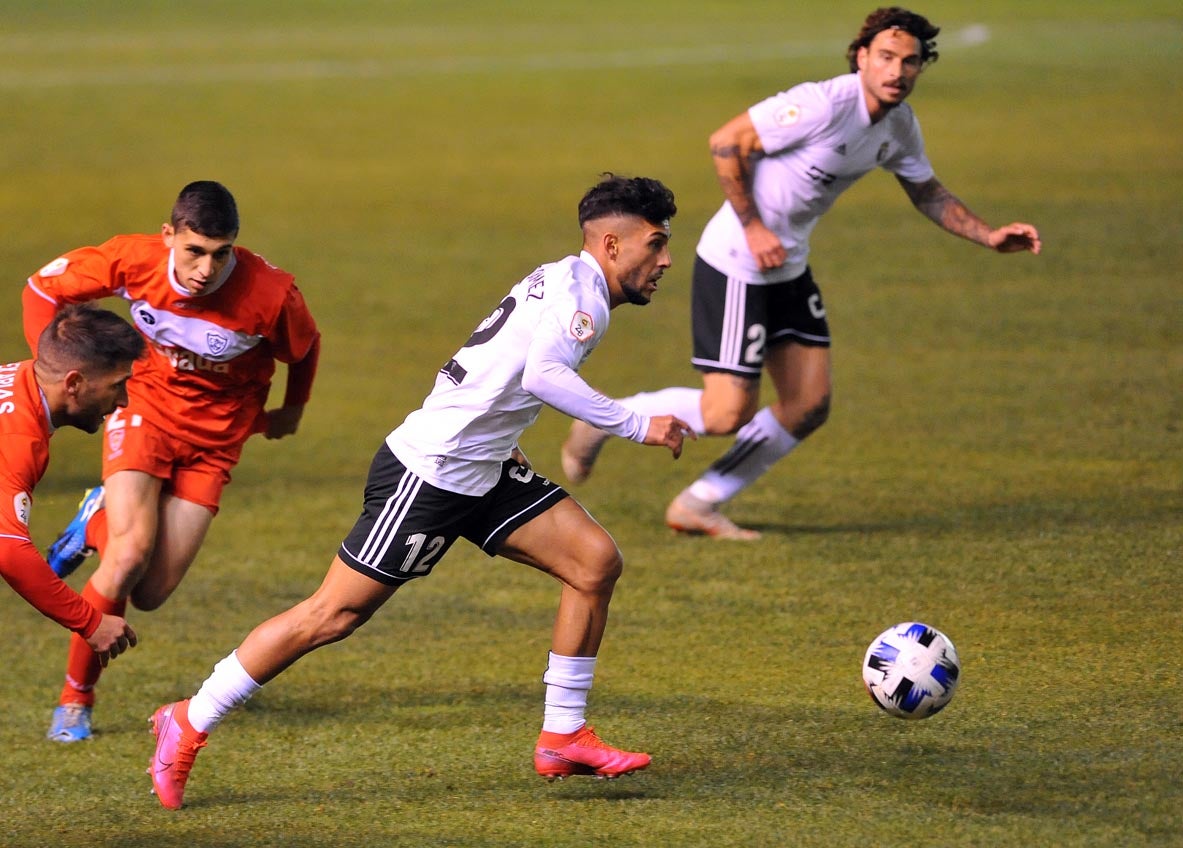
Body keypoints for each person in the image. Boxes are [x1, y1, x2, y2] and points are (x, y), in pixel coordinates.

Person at [146, 174, 689, 810]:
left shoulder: (568, 277)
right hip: (430, 474)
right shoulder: (583, 299)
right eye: (656, 244)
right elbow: (542, 375)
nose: (666, 260)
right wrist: (635, 422)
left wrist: (499, 434)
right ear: (614, 244)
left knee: (595, 562)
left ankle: (562, 735)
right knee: (333, 615)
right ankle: (189, 717)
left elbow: (496, 369)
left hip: (482, 465)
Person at [560, 7, 1042, 539]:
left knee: (809, 404)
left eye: (909, 62)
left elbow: (926, 191)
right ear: (861, 57)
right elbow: (726, 142)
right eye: (885, 57)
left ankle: (699, 503)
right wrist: (755, 227)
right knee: (726, 415)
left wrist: (989, 235)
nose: (897, 71)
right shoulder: (821, 104)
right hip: (738, 262)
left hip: (788, 268)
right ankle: (603, 419)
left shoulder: (899, 126)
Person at [22, 181, 321, 742]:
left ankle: (95, 520)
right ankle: (74, 699)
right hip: (144, 409)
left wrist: (293, 410)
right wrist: (53, 364)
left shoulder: (272, 294)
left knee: (152, 592)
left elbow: (304, 349)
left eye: (221, 252)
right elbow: (40, 289)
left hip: (217, 440)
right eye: (194, 251)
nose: (207, 268)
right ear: (169, 237)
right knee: (130, 554)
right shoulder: (132, 260)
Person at [1, 305, 142, 669]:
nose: (124, 400)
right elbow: (9, 551)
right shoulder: (18, 440)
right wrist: (90, 620)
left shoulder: (17, 378)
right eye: (117, 385)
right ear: (74, 383)